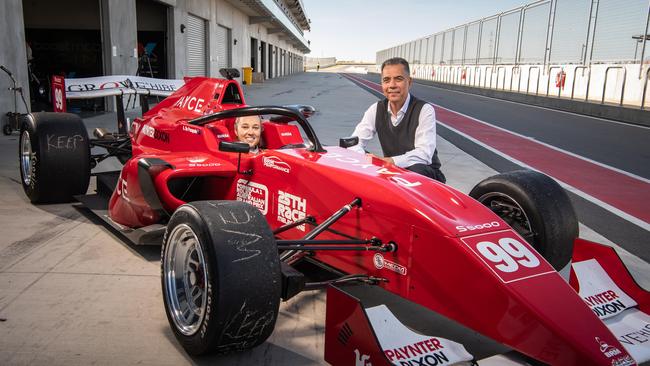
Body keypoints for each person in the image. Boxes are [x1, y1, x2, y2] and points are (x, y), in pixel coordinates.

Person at [348, 57, 445, 183]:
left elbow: (424, 154)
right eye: (386, 80)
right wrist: (367, 159)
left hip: (426, 176)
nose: (392, 85)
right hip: (394, 172)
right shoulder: (376, 109)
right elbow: (354, 142)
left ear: (409, 82)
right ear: (382, 84)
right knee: (361, 159)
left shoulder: (424, 110)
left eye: (398, 79)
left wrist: (391, 161)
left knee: (416, 169)